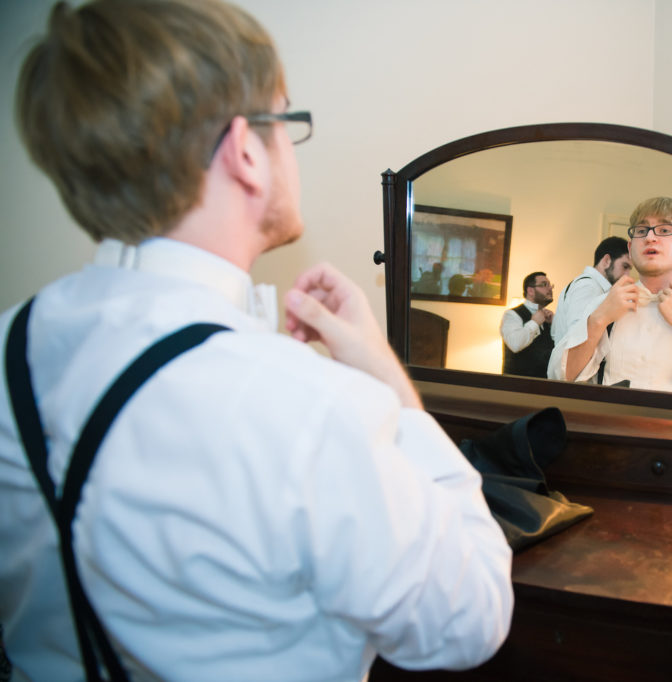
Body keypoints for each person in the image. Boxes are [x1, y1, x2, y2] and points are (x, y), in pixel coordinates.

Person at [0, 2, 513, 681]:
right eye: (287, 121)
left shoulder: (10, 343)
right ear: (245, 149)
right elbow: (469, 619)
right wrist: (389, 380)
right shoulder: (307, 408)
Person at [547, 197, 672, 391]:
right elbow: (559, 378)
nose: (650, 238)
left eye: (665, 230)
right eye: (642, 231)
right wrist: (599, 320)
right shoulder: (604, 303)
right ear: (630, 247)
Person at [549, 236, 632, 346]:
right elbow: (578, 340)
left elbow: (554, 332)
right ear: (607, 261)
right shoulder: (588, 287)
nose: (627, 275)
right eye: (625, 266)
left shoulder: (587, 285)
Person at [500, 272, 554, 378]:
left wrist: (554, 325)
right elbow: (515, 344)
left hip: (545, 386)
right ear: (530, 291)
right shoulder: (511, 315)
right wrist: (534, 323)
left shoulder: (549, 318)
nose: (550, 289)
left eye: (550, 285)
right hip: (517, 387)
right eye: (544, 285)